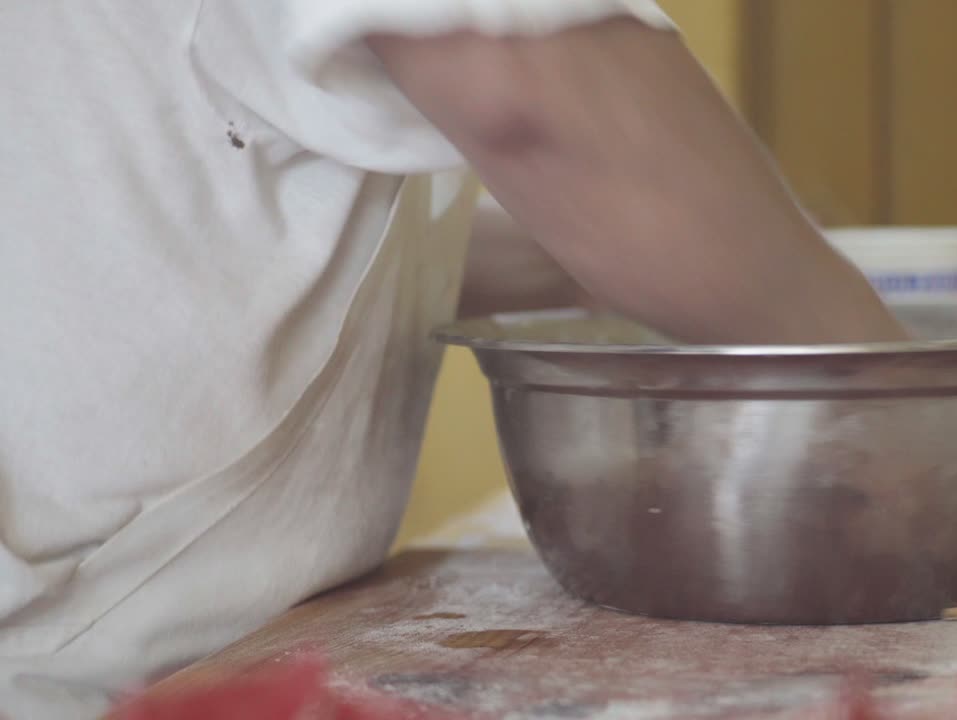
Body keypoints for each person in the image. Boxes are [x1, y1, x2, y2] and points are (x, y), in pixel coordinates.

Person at [0, 2, 904, 717]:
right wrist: (903, 409)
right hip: (77, 679)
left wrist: (673, 248)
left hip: (186, 664)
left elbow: (262, 244)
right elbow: (523, 88)